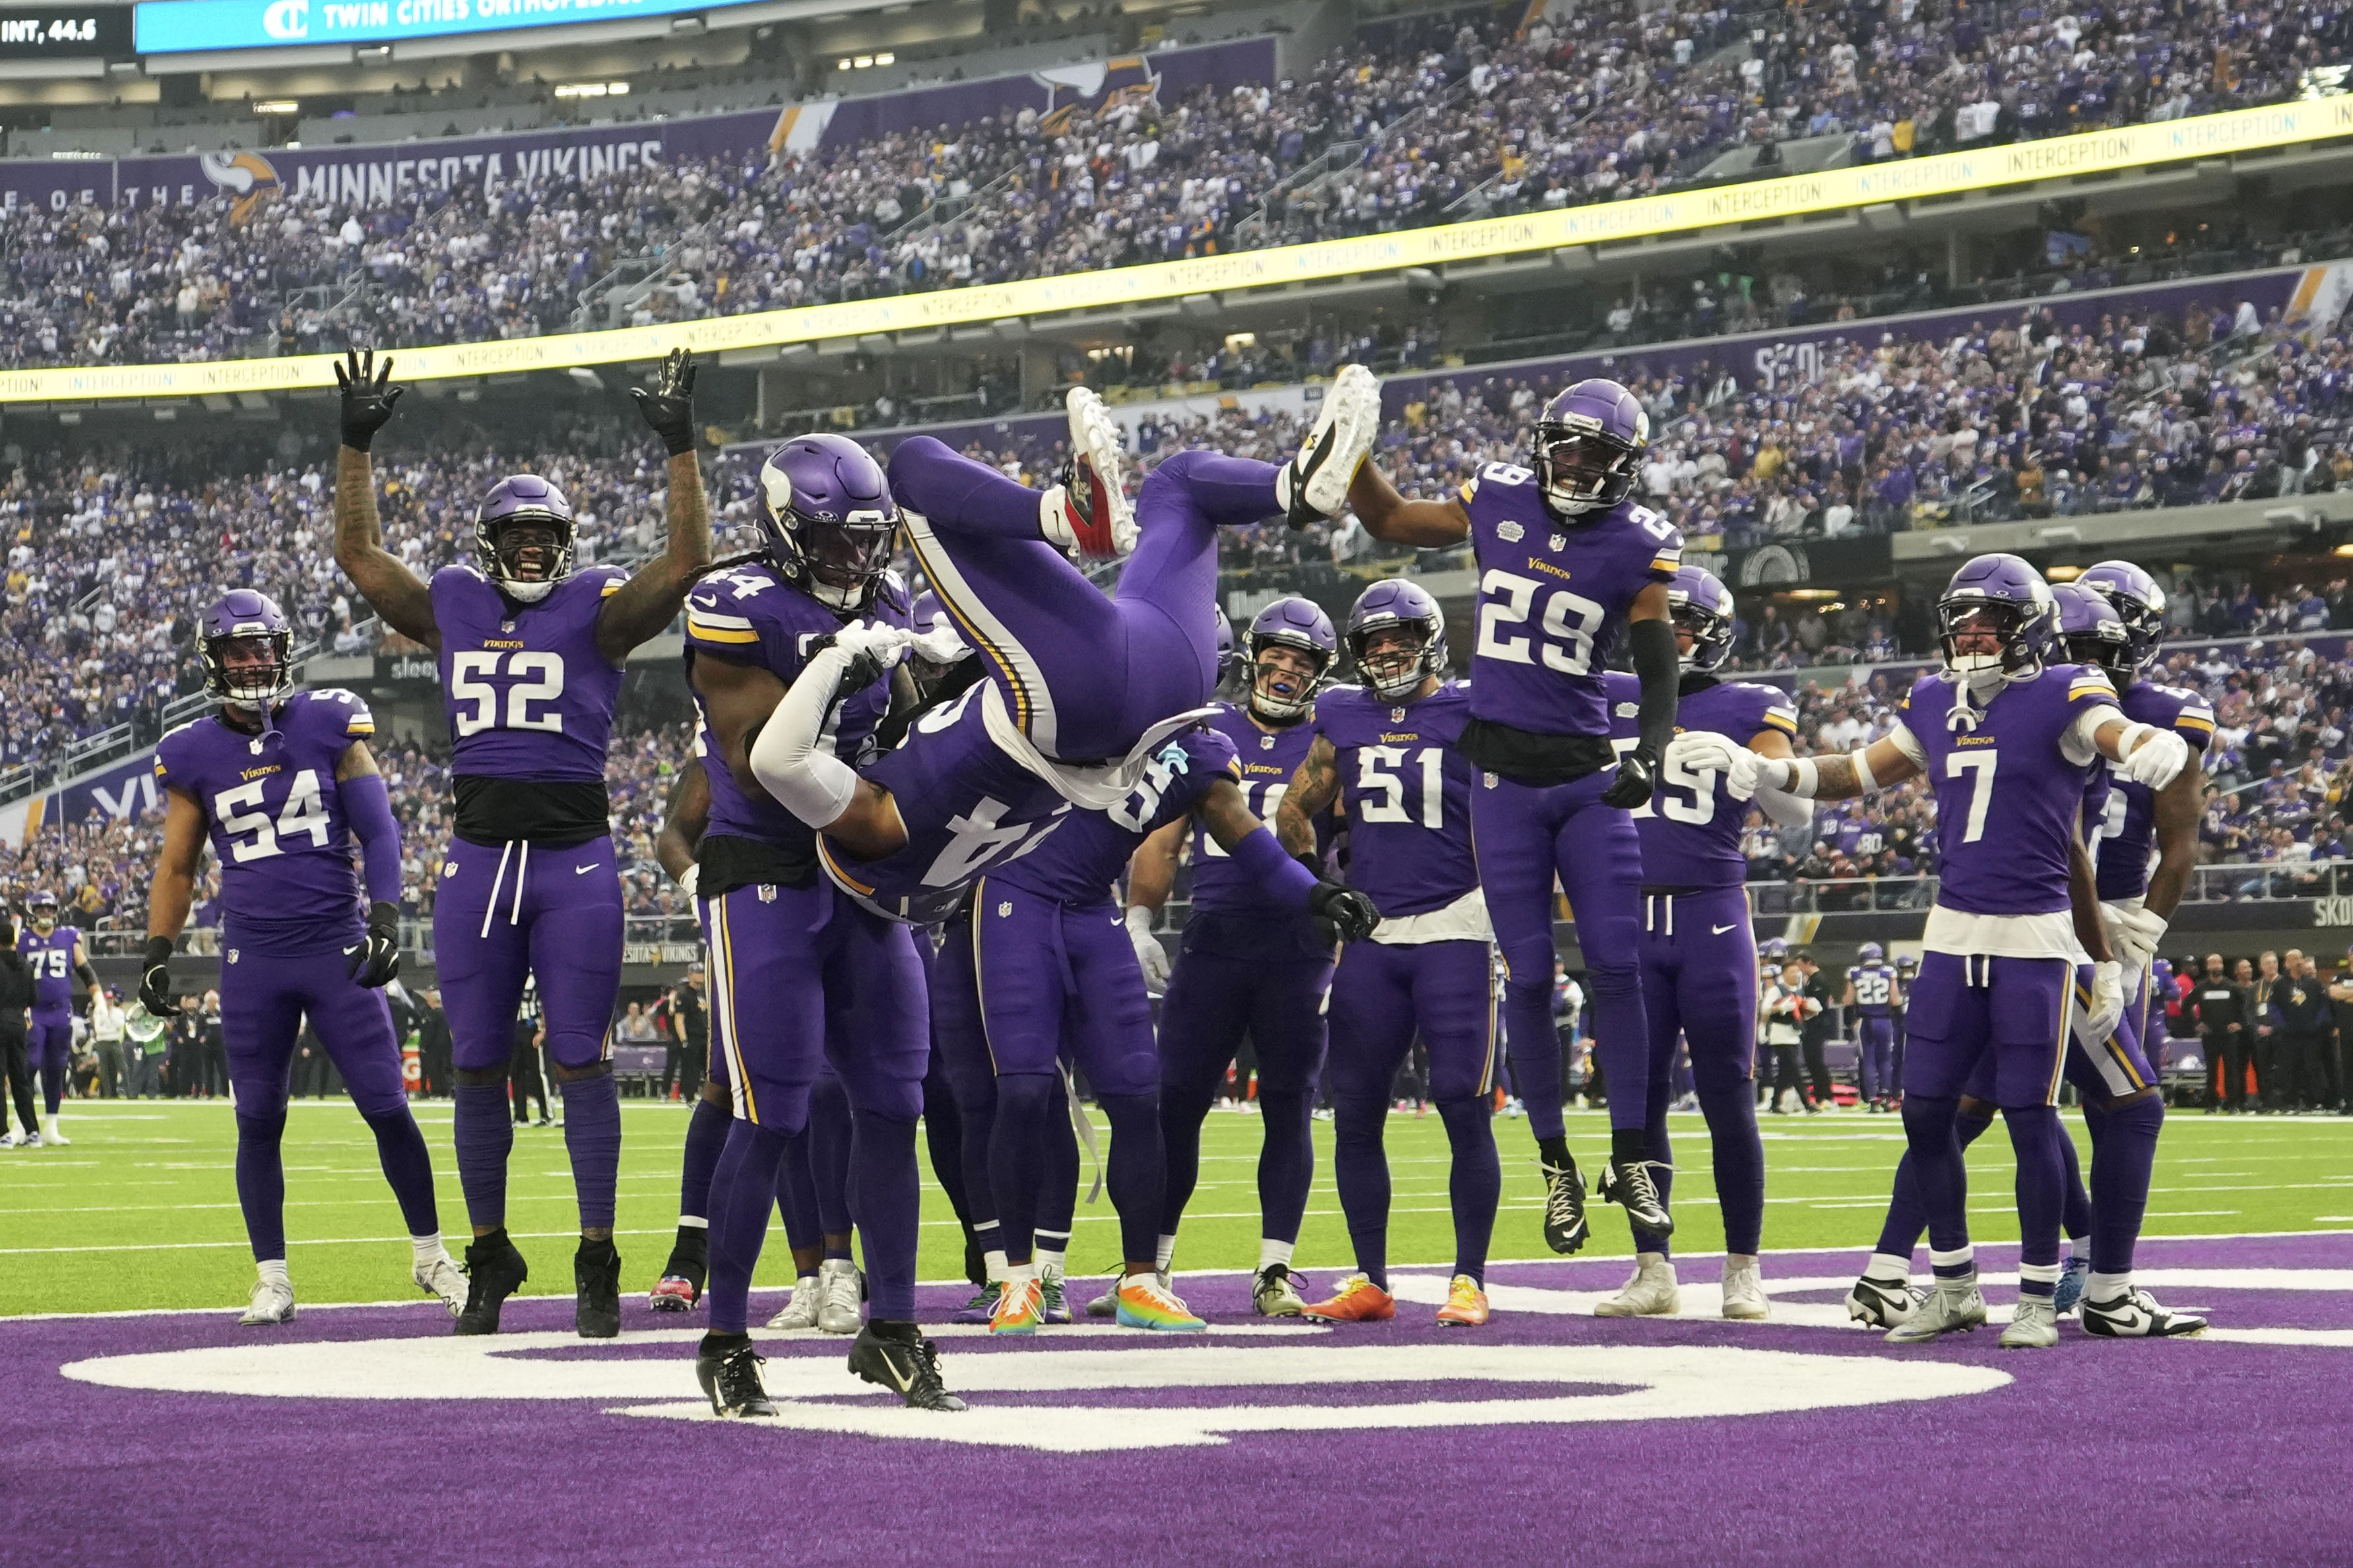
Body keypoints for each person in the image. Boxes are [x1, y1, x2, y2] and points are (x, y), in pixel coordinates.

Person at [1675, 553, 2190, 1348]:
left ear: (2029, 631)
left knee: (2026, 1114)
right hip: (1951, 930)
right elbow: (1856, 771)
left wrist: (2138, 744)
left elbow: (2105, 728)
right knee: (1925, 1112)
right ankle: (1949, 1283)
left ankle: (2031, 1294)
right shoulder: (1930, 696)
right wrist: (1762, 766)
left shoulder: (2065, 687)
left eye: (1988, 624)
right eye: (1962, 624)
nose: (1971, 637)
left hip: (2035, 934)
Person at [332, 346, 712, 1338]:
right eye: (519, 537)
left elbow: (682, 565)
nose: (534, 552)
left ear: (567, 542)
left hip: (574, 861)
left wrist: (678, 447)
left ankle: (596, 1254)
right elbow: (363, 560)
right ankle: (491, 1250)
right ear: (493, 541)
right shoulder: (455, 597)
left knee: (581, 1056)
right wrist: (355, 447)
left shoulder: (597, 607)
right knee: (473, 1063)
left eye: (547, 537)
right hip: (476, 857)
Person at [1340, 365, 1685, 1251]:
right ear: (1541, 445)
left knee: (1616, 966)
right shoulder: (1494, 498)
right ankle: (1555, 1166)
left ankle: (1635, 1156)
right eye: (1564, 449)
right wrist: (1351, 444)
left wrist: (1647, 749)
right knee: (1528, 975)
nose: (1572, 468)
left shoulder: (1637, 543)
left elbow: (1656, 666)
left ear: (1624, 466)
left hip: (1581, 775)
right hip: (1499, 778)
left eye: (1593, 456)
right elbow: (1384, 519)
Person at [141, 588, 465, 1325]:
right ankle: (273, 1277)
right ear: (214, 661)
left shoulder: (329, 720)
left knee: (387, 1106)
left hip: (334, 945)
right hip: (253, 957)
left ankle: (431, 1256)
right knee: (257, 1120)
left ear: (283, 650)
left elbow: (379, 832)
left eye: (263, 648)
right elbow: (178, 866)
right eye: (238, 651)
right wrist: (158, 948)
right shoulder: (191, 751)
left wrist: (384, 915)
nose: (253, 662)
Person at [1275, 579, 1501, 1328]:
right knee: (1355, 1112)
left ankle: (1468, 1278)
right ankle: (1369, 1278)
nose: (1385, 651)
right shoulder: (1339, 712)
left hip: (1457, 928)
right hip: (1372, 934)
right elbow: (1290, 807)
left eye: (1398, 637)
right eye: (1372, 641)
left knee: (1462, 1108)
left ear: (1429, 639)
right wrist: (1317, 887)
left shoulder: (1473, 706)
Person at [1127, 596, 1343, 1315]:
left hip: (1299, 946)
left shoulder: (1331, 734)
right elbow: (1161, 836)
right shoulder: (1206, 729)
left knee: (1288, 1105)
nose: (1284, 670)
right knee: (1175, 1103)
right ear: (1253, 658)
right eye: (1275, 656)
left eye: (1300, 661)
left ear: (1318, 674)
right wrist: (1138, 916)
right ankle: (1149, 1268)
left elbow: (1357, 842)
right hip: (1215, 937)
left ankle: (1274, 1270)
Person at [1592, 565, 1797, 1318]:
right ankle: (1653, 1266)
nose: (1672, 636)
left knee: (1727, 1100)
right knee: (1636, 1105)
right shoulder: (1608, 690)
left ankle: (1742, 1266)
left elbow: (1794, 812)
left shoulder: (1749, 702)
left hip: (1711, 914)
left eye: (1686, 625)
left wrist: (1757, 771)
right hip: (1625, 914)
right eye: (1662, 623)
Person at [22, 891, 96, 1145]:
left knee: (56, 1068)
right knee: (29, 1064)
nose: (46, 912)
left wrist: (97, 997)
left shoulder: (68, 937)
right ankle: (23, 1122)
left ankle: (51, 1125)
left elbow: (85, 970)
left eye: (50, 908)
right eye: (41, 908)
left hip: (61, 1011)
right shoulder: (21, 940)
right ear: (32, 911)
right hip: (33, 1012)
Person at [2189, 954, 2251, 1112]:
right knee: (2211, 1071)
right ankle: (2211, 1104)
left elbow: (2248, 1008)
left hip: (2229, 1036)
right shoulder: (2201, 988)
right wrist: (2197, 1024)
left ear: (2223, 966)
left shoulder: (2232, 987)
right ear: (2207, 967)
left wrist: (2240, 1024)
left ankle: (2233, 1105)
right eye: (2212, 964)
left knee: (2232, 1070)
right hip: (2210, 1036)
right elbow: (2184, 1007)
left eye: (2219, 963)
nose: (2216, 966)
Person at [1846, 942, 1901, 1111]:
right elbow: (1895, 1000)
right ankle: (1885, 1097)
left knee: (1868, 1060)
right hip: (1884, 1020)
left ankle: (1872, 1100)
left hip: (1864, 1020)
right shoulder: (1888, 972)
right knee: (1885, 1059)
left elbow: (1847, 1000)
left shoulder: (1854, 972)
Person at [1760, 961, 1815, 1113]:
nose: (1796, 975)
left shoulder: (1799, 991)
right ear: (1784, 974)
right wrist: (1779, 1007)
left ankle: (1775, 1103)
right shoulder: (1777, 990)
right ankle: (1808, 1103)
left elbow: (1801, 1014)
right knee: (1794, 1069)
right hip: (1779, 1034)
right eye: (1792, 972)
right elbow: (1765, 1009)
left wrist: (1812, 1011)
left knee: (1786, 1071)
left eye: (1797, 972)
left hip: (1794, 1034)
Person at [0, 918, 36, 1146]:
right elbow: (33, 999)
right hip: (18, 1024)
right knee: (20, 1079)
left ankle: (3, 1133)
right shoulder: (26, 966)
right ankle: (33, 1131)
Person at [663, 966, 707, 1104]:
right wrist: (684, 1040)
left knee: (706, 1070)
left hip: (704, 1036)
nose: (702, 976)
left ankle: (703, 1097)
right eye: (698, 973)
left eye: (703, 973)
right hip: (691, 1036)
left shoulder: (705, 993)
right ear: (690, 975)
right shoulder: (684, 993)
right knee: (690, 1069)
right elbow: (679, 1018)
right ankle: (688, 1097)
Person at [510, 1006, 550, 1127]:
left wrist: (542, 1030)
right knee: (516, 1073)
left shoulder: (536, 987)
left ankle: (546, 1115)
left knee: (537, 1072)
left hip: (533, 1027)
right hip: (515, 1027)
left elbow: (545, 1004)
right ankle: (520, 1116)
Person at [90, 986, 128, 1100]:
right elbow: (99, 1030)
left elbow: (120, 1025)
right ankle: (108, 1094)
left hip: (116, 1042)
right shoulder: (98, 1011)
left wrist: (110, 1013)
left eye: (111, 1000)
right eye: (107, 999)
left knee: (122, 1067)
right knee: (106, 1070)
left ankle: (129, 1092)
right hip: (103, 1042)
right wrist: (112, 1030)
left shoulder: (118, 1012)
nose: (109, 1002)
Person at [414, 989, 452, 1099]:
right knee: (446, 1070)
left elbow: (429, 1033)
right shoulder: (448, 1013)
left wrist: (424, 1045)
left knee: (434, 1070)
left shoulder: (433, 1015)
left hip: (434, 1048)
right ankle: (447, 1092)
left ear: (432, 1001)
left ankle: (437, 1092)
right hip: (447, 1046)